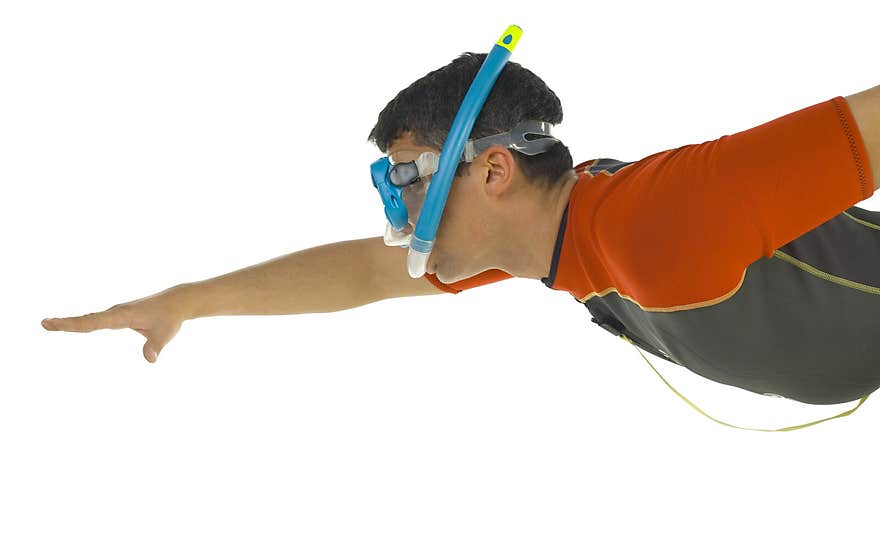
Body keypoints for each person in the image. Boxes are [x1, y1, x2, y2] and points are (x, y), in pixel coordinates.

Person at [41, 52, 880, 421]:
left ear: (491, 172)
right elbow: (364, 275)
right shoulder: (560, 246)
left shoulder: (647, 218)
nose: (395, 214)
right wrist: (186, 301)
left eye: (405, 179)